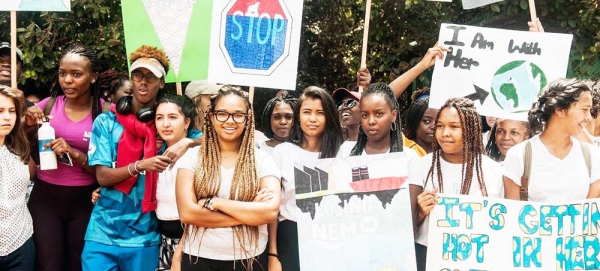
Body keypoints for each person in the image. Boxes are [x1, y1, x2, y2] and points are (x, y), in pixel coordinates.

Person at [82, 45, 196, 271]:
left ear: (161, 83)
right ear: (131, 79)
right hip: (102, 233)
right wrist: (140, 165)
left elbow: (217, 140)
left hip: (145, 237)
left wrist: (187, 141)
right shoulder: (106, 123)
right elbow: (103, 177)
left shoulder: (167, 126)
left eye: (151, 77)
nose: (143, 82)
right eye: (138, 75)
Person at [176, 86, 281, 271]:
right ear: (211, 117)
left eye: (238, 115)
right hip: (198, 259)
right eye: (222, 113)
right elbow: (188, 213)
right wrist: (249, 214)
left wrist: (215, 202)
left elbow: (269, 212)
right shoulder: (192, 158)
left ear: (247, 119)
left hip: (249, 260)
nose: (230, 121)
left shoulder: (263, 160)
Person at [25, 44, 103, 271]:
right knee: (48, 266)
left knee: (79, 265)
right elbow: (16, 141)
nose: (67, 80)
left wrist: (75, 154)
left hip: (86, 202)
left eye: (76, 74)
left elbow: (109, 170)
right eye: (62, 73)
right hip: (45, 200)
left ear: (93, 77)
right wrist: (27, 124)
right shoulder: (47, 106)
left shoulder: (107, 113)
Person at [408, 98, 504, 271]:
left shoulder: (493, 171)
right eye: (440, 126)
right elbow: (404, 224)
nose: (445, 133)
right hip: (427, 256)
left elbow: (502, 225)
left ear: (471, 129)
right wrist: (421, 212)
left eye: (454, 127)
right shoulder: (420, 165)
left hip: (476, 257)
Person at [269, 86, 343, 271]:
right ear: (298, 117)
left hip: (332, 236)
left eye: (320, 113)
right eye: (307, 112)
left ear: (329, 117)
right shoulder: (283, 152)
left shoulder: (344, 153)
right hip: (291, 236)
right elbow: (272, 210)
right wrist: (272, 253)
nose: (312, 118)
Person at [504, 78, 600, 201]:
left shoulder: (593, 156)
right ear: (559, 110)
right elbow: (513, 211)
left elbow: (588, 214)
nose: (589, 118)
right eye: (584, 110)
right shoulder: (519, 155)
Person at [0, 85, 35, 271]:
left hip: (20, 243)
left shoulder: (19, 149)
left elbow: (34, 175)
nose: (7, 117)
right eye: (0, 111)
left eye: (12, 111)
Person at [337, 82, 417, 158]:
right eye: (365, 115)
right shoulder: (346, 152)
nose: (371, 121)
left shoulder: (408, 157)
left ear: (393, 115)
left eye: (379, 114)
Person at [404, 88, 437, 155]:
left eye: (439, 122)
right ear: (414, 122)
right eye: (426, 121)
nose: (433, 126)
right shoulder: (404, 148)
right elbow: (385, 96)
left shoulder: (451, 154)